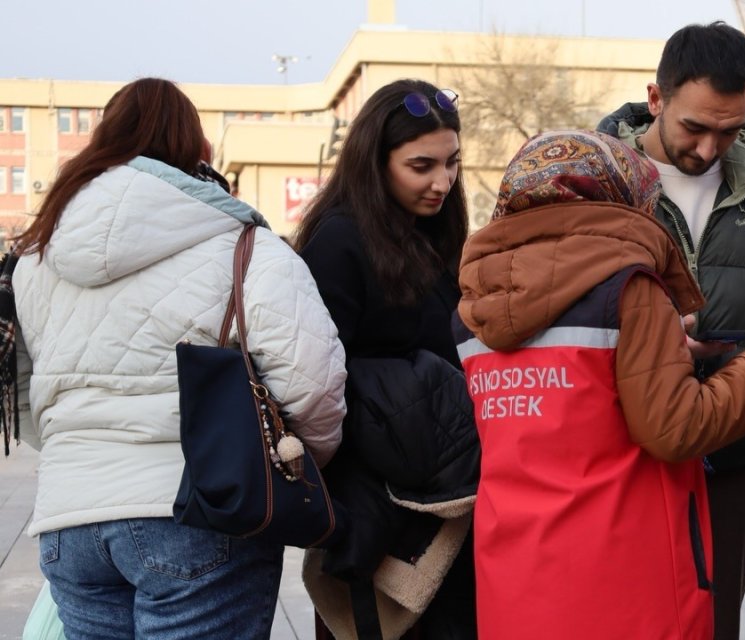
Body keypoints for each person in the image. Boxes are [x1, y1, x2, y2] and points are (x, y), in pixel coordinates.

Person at [10, 77, 347, 639]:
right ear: (199, 151)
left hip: (70, 522)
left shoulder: (37, 258)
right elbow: (314, 384)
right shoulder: (246, 245)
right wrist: (296, 461)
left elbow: (26, 387)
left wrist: (84, 453)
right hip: (201, 510)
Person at [453, 129, 745, 639]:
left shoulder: (473, 308)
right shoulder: (628, 287)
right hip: (624, 578)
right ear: (623, 197)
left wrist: (661, 348)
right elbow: (674, 428)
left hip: (515, 575)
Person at [597, 23, 745, 637]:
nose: (707, 148)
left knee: (714, 624)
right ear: (656, 98)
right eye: (694, 128)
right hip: (620, 461)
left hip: (732, 457)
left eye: (729, 130)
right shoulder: (594, 181)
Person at [294, 79, 479, 639]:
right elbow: (318, 379)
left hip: (444, 496)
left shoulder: (431, 234)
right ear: (375, 161)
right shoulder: (339, 240)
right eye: (421, 165)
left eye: (451, 163)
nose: (442, 182)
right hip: (375, 498)